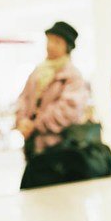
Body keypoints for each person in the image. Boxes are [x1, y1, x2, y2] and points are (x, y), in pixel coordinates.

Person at [15, 22, 90, 159]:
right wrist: (22, 121)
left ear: (67, 47)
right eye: (49, 40)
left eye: (57, 42)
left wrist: (36, 125)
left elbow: (68, 110)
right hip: (33, 144)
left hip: (60, 147)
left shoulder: (72, 75)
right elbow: (23, 98)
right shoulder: (38, 71)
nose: (50, 46)